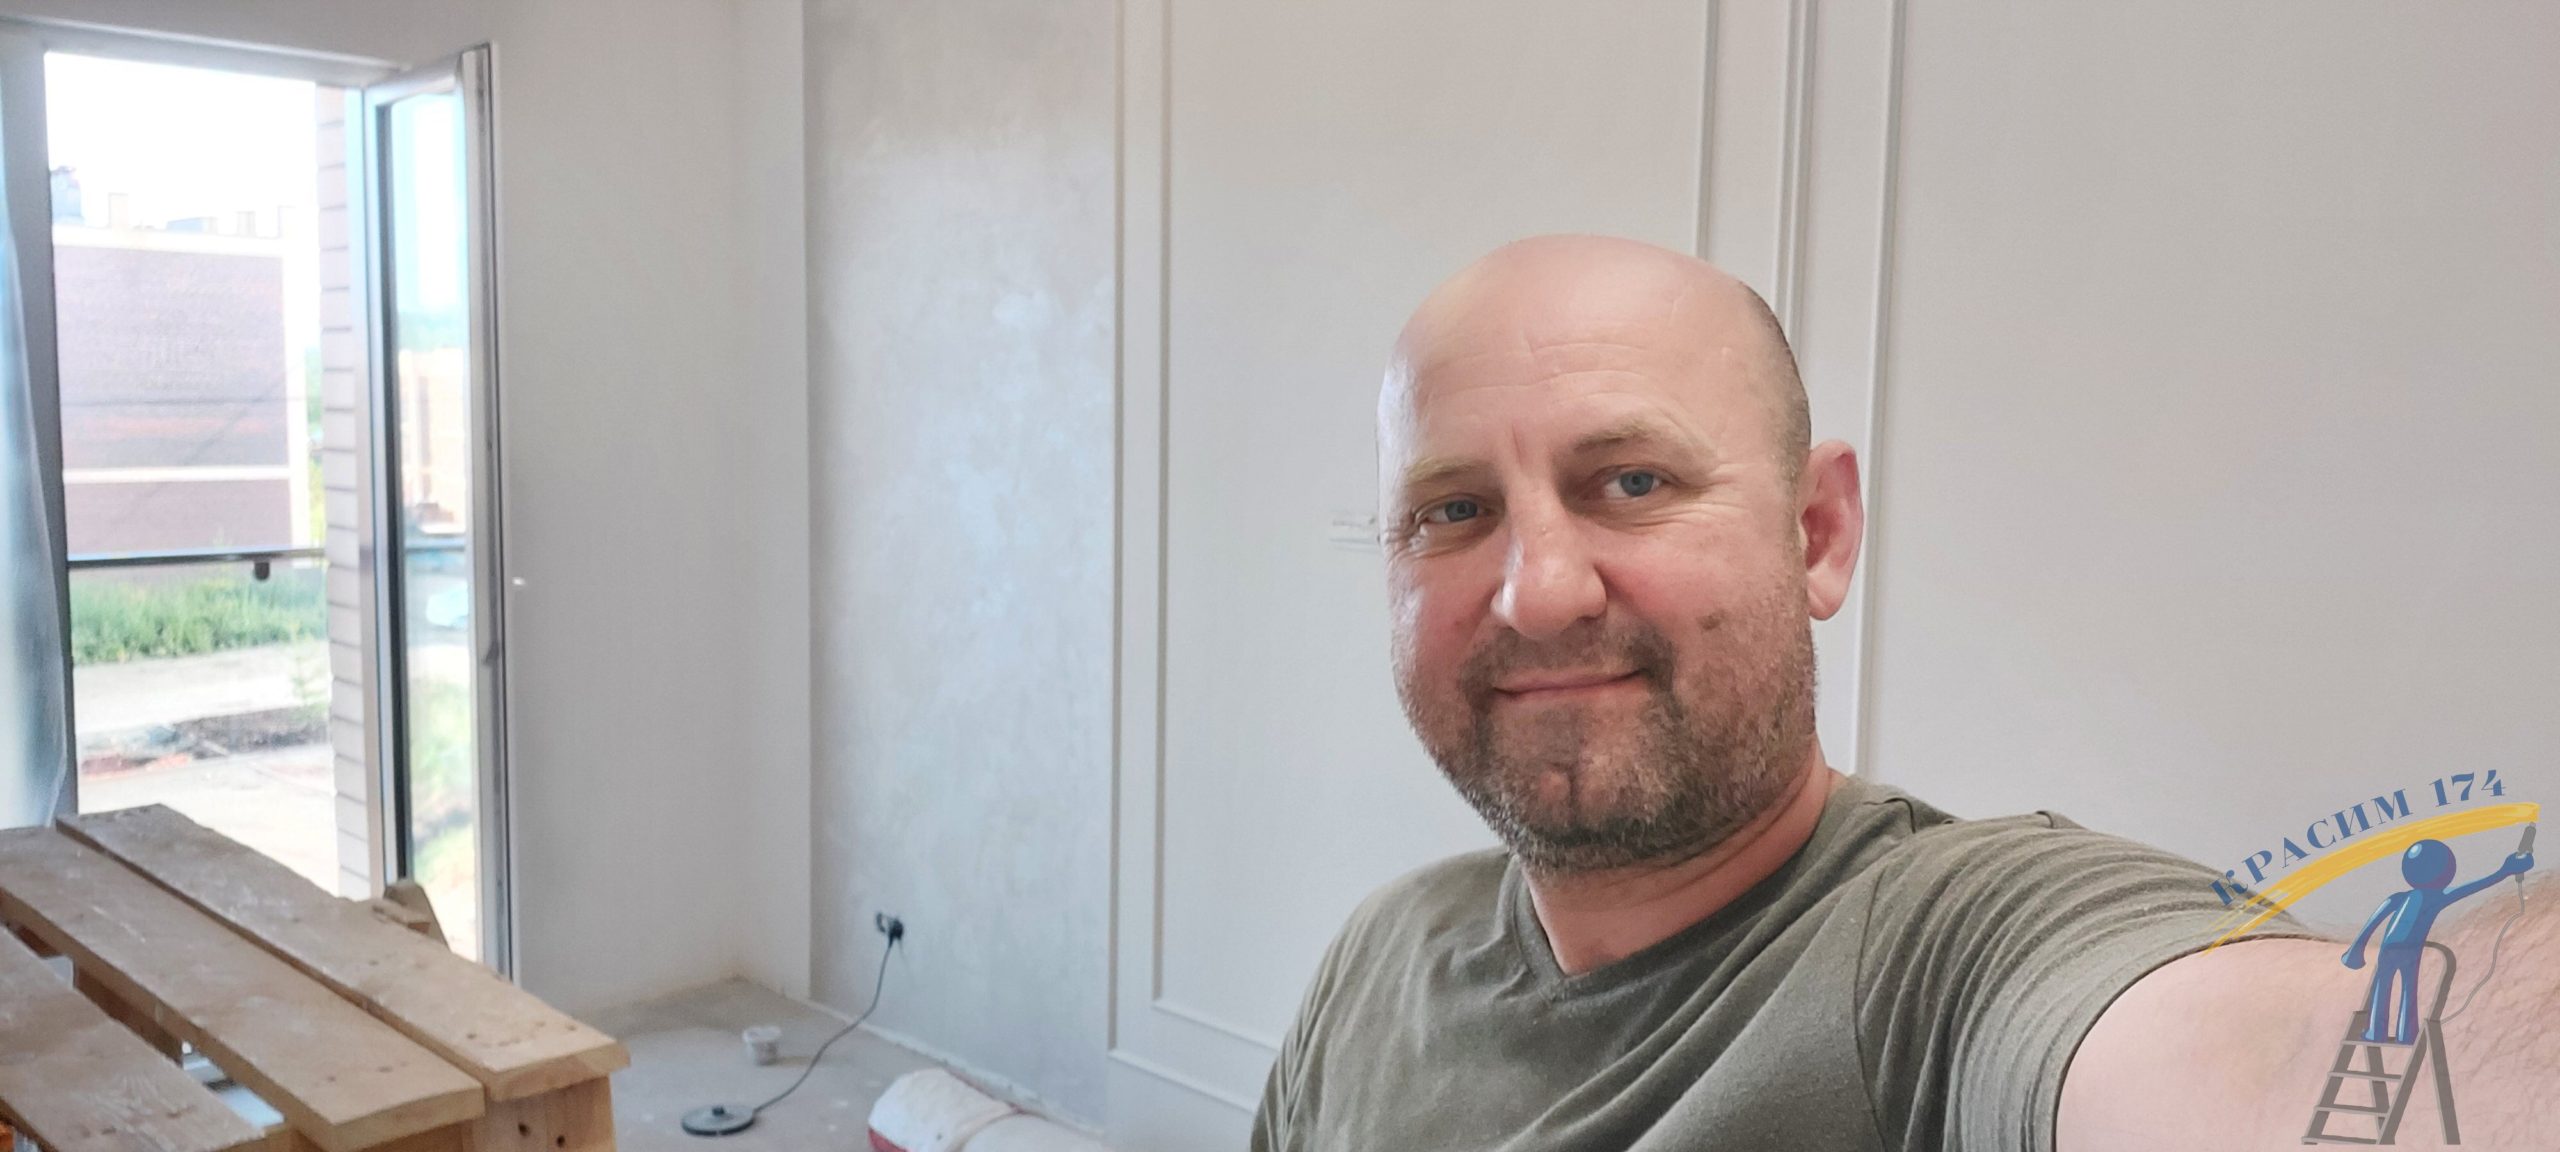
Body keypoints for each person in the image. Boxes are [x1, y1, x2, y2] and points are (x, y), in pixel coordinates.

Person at [1248, 235, 2557, 1151]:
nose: (1538, 591)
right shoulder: (1381, 956)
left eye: (1633, 482)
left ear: (1816, 533)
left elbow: (2309, 1073)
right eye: (1452, 510)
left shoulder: (1948, 961)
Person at [2344, 838, 2534, 1044]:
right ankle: (2406, 1034)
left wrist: (2355, 951)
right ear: (2447, 870)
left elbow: (2371, 925)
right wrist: (2504, 871)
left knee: (2382, 985)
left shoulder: (2398, 898)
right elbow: (2472, 887)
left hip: (2389, 948)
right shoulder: (2438, 896)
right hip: (2410, 950)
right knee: (2408, 988)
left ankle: (2375, 1032)